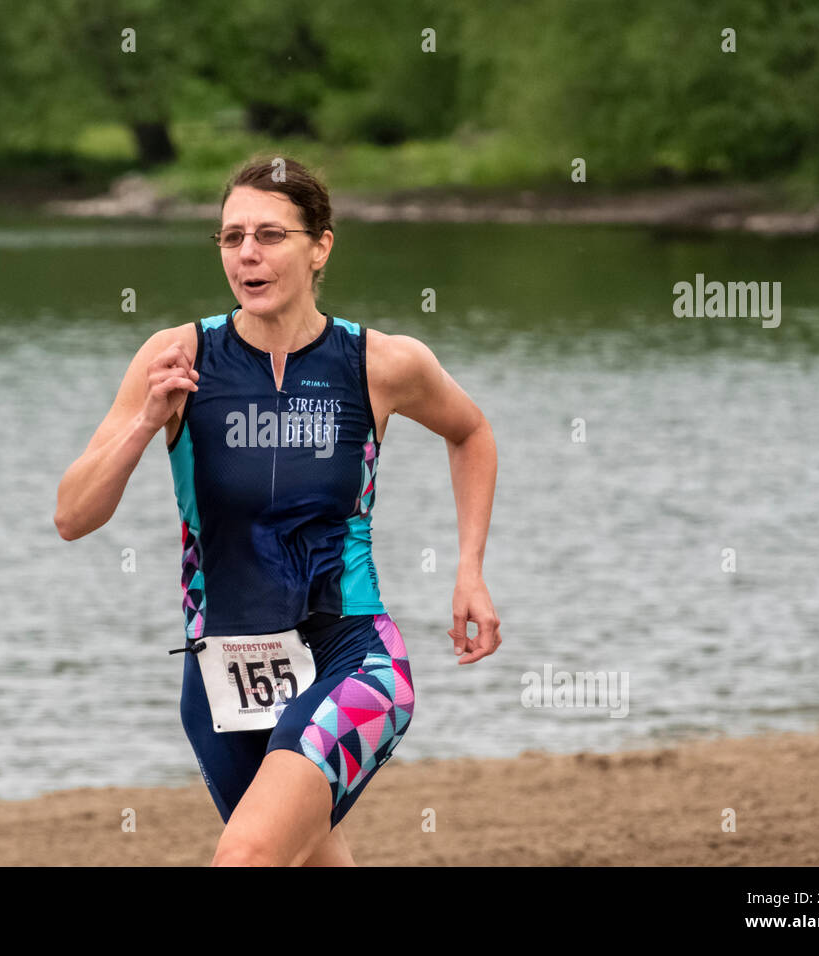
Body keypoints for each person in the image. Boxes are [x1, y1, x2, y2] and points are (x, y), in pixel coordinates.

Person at [55, 155, 501, 866]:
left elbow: (470, 432)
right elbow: (72, 516)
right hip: (223, 672)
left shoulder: (379, 363)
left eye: (270, 235)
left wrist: (469, 570)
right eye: (232, 238)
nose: (248, 255)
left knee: (248, 857)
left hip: (352, 655)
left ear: (320, 246)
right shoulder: (176, 357)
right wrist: (146, 423)